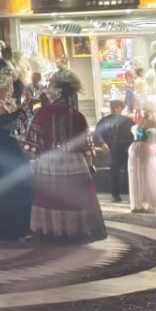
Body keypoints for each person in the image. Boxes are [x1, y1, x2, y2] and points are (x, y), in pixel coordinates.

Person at [27, 70, 106, 243]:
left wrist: (33, 162)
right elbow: (86, 146)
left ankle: (52, 231)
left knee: (51, 198)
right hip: (74, 163)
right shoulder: (77, 116)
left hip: (49, 162)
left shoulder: (42, 114)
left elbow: (33, 144)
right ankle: (75, 231)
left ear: (56, 91)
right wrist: (90, 165)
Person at [0, 73, 33, 241]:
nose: (10, 91)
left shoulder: (6, 103)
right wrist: (21, 111)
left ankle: (20, 226)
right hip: (1, 147)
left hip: (10, 147)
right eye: (7, 88)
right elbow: (5, 123)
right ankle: (9, 227)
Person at [93, 100, 135, 204]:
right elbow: (98, 133)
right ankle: (115, 195)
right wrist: (102, 143)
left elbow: (134, 134)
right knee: (114, 172)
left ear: (121, 108)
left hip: (126, 148)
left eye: (117, 107)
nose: (115, 109)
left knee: (128, 171)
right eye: (113, 107)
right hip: (113, 149)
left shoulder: (128, 121)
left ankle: (132, 194)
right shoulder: (104, 121)